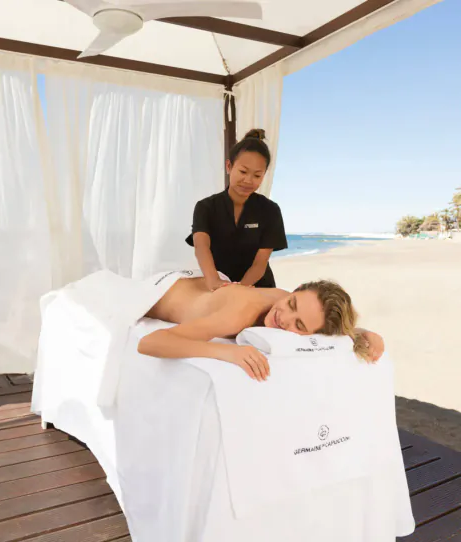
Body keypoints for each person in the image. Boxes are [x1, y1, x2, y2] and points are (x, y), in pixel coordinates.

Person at [139, 278, 385, 382]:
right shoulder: (238, 315)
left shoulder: (293, 304)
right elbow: (149, 343)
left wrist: (360, 333)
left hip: (203, 286)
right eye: (291, 303)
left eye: (298, 325)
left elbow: (324, 326)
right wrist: (226, 352)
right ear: (295, 291)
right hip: (157, 292)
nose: (283, 317)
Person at [186, 129, 287, 290]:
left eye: (257, 175)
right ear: (229, 166)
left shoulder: (270, 210)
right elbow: (201, 247)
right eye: (243, 171)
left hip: (257, 287)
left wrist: (240, 289)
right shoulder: (206, 207)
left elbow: (260, 263)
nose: (248, 180)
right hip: (218, 285)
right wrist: (214, 281)